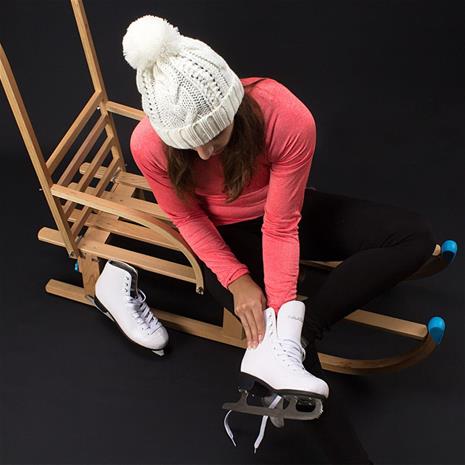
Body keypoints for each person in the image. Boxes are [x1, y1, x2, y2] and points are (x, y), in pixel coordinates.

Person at [122, 15, 436, 464]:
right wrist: (238, 281)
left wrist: (288, 323)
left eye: (214, 136)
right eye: (188, 145)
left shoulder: (285, 115)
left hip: (280, 213)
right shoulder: (148, 144)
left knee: (413, 235)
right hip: (221, 236)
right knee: (286, 357)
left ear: (233, 106)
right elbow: (187, 218)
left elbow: (282, 225)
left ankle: (301, 335)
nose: (204, 153)